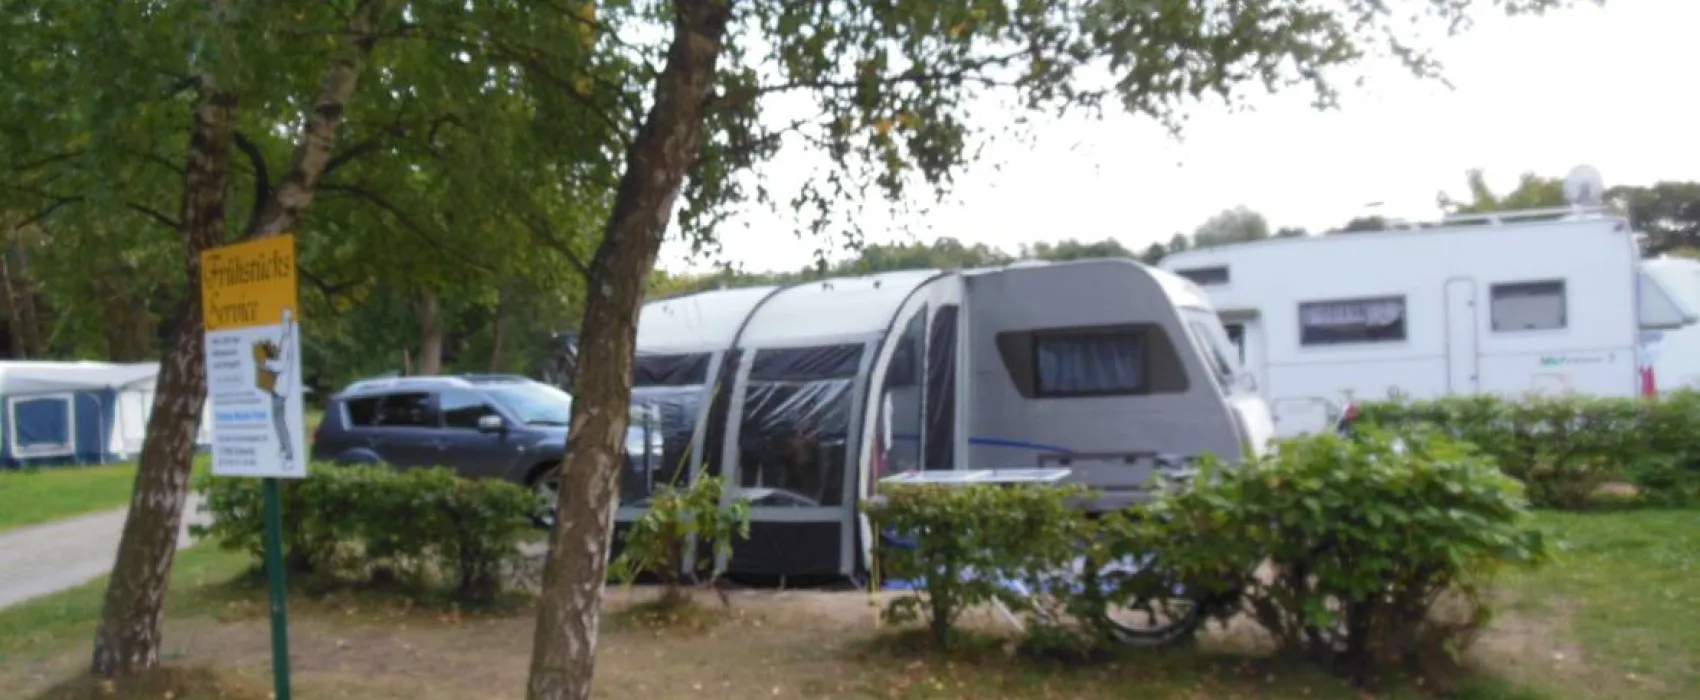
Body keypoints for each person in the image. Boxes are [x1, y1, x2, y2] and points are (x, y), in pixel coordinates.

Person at [251, 308, 297, 471]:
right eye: (283, 323)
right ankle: (284, 449)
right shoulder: (285, 340)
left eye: (285, 323)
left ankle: (288, 453)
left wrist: (265, 364)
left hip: (280, 388)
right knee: (278, 420)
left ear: (289, 325)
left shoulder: (286, 341)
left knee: (279, 422)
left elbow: (281, 365)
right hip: (279, 387)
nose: (283, 326)